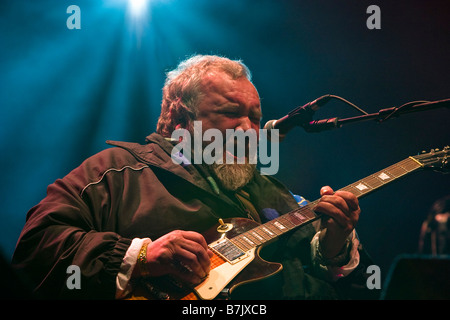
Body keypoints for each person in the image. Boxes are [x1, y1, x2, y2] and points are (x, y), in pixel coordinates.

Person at [12, 55, 376, 300]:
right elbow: (37, 247)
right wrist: (142, 255)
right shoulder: (116, 172)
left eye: (254, 116)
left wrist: (335, 245)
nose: (250, 130)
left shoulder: (273, 193)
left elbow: (351, 286)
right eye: (231, 113)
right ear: (178, 119)